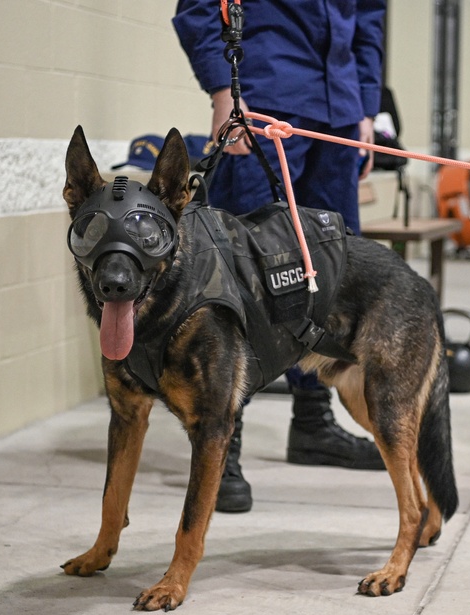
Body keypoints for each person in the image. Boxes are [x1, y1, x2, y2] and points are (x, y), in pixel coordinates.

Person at [173, 0, 388, 513]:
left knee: (329, 275)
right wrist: (224, 90)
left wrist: (364, 105)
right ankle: (223, 446)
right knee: (246, 279)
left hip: (337, 112)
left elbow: (369, 16)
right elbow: (198, 8)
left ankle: (312, 423)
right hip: (265, 102)